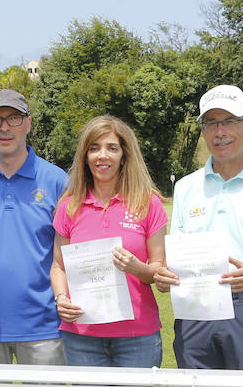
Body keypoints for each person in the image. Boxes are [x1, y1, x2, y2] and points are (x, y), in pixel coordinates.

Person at [153, 85, 243, 370]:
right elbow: (175, 258)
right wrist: (165, 275)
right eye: (211, 123)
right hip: (194, 310)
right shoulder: (186, 187)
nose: (220, 132)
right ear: (203, 130)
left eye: (229, 121)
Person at [0, 89, 68, 365]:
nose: (4, 128)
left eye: (14, 118)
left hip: (44, 327)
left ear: (28, 124)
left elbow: (70, 256)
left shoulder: (57, 181)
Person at [51, 115, 168, 368]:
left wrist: (138, 268)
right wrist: (61, 299)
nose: (102, 156)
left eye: (112, 148)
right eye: (94, 148)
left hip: (137, 336)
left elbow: (158, 270)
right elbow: (58, 266)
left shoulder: (148, 203)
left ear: (124, 156)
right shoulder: (68, 206)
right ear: (85, 156)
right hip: (81, 336)